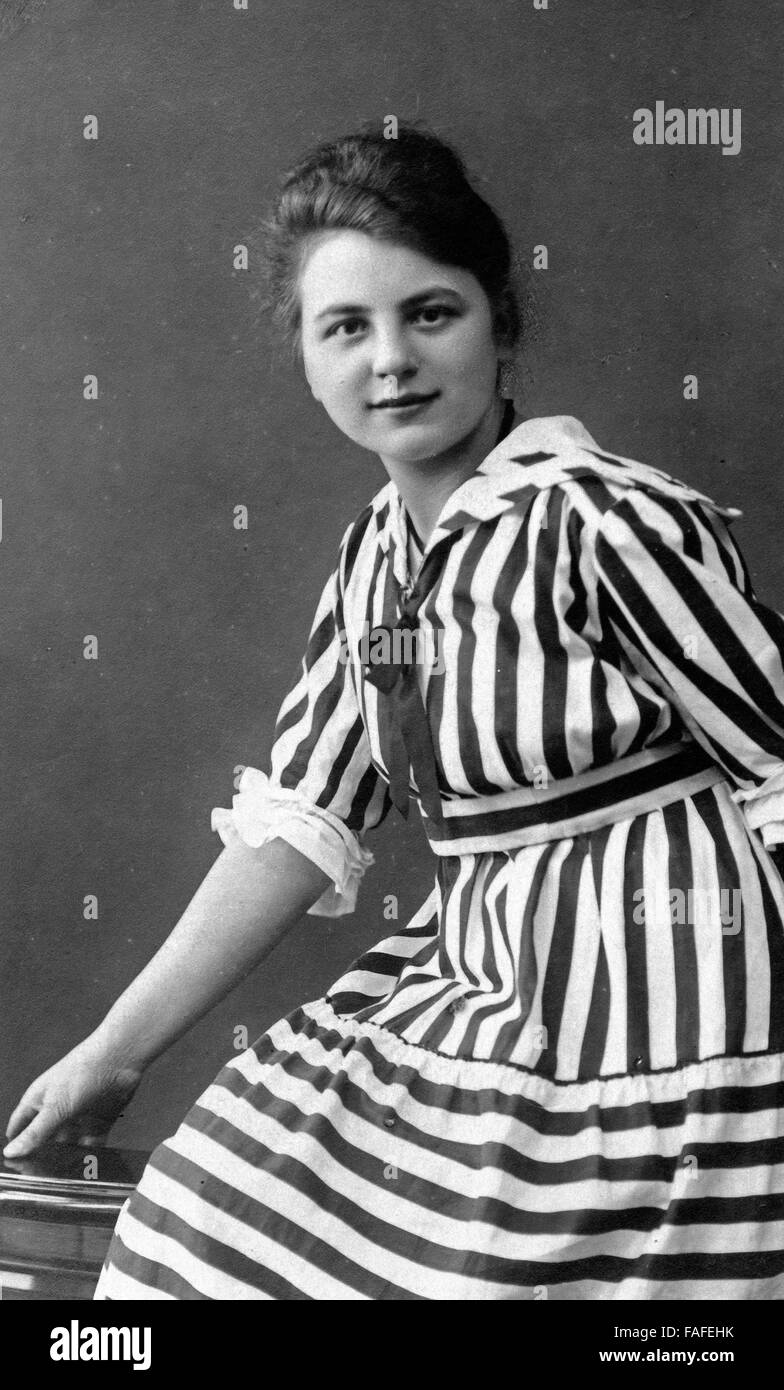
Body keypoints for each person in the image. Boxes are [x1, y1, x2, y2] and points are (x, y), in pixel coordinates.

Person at [6, 123, 784, 1301]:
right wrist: (109, 1054)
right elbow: (296, 826)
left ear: (500, 324)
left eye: (432, 314)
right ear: (307, 361)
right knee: (202, 1226)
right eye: (346, 329)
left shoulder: (602, 518)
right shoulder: (374, 561)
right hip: (491, 991)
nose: (392, 361)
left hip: (676, 1021)